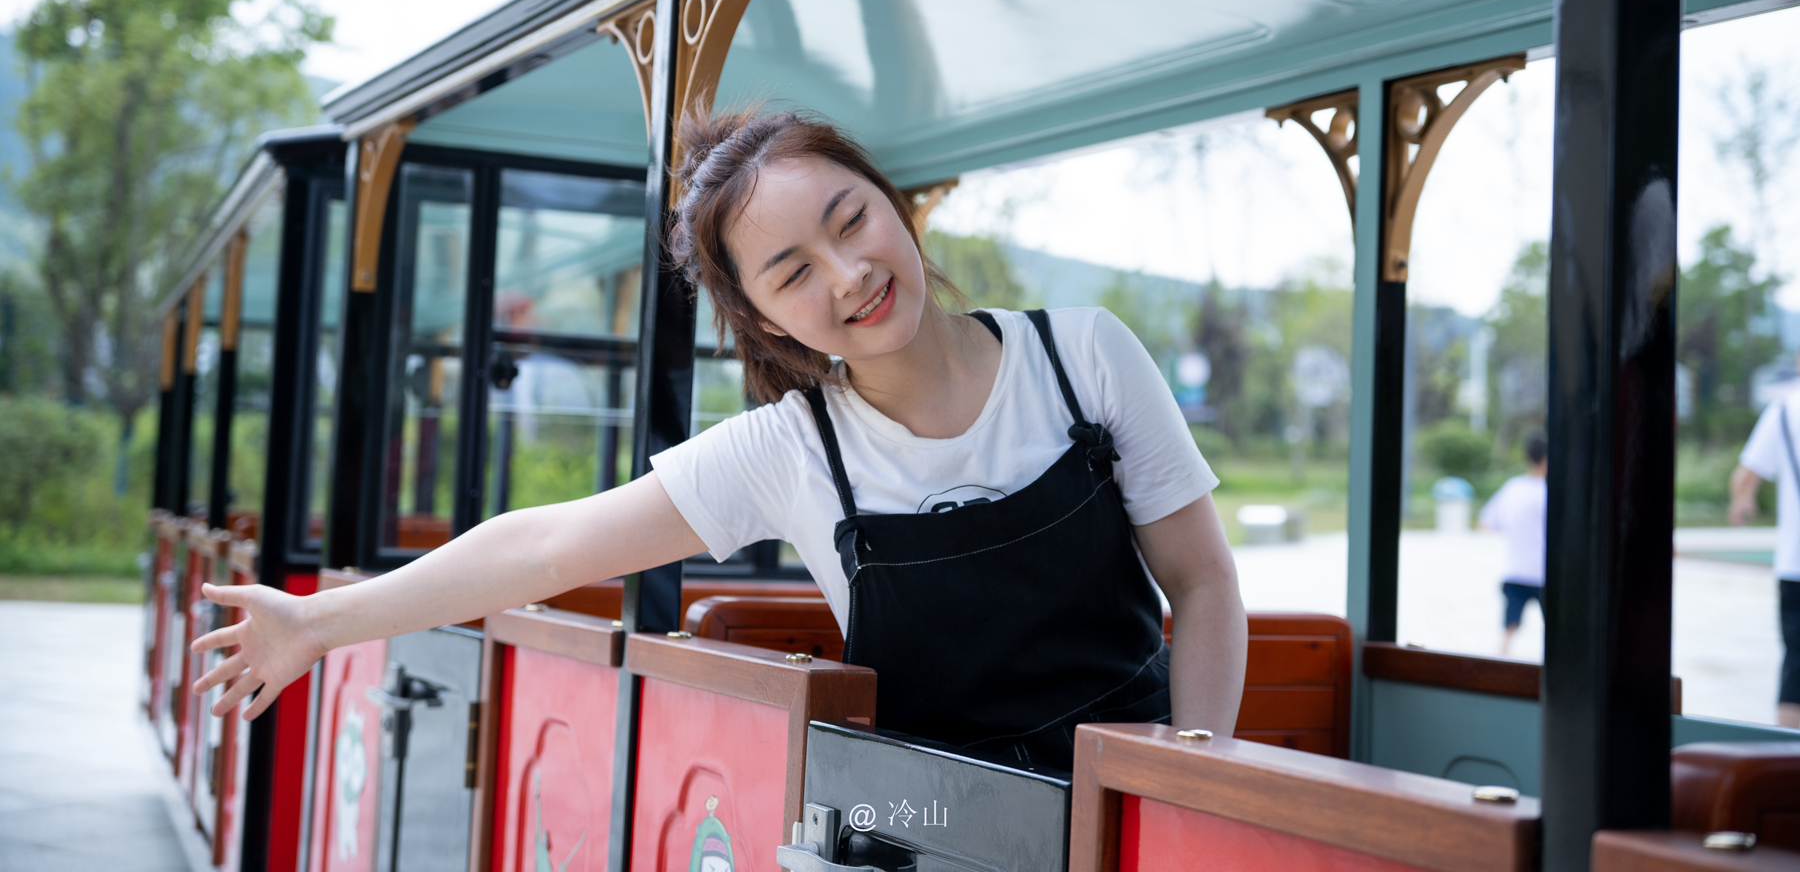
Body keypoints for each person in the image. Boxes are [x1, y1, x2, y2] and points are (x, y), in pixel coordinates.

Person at [193, 108, 1248, 769]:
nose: (849, 275)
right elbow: (542, 548)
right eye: (791, 272)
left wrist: (1194, 777)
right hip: (938, 824)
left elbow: (1202, 584)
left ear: (893, 202)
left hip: (1135, 790)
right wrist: (320, 625)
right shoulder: (789, 451)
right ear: (764, 321)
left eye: (851, 219)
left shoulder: (1085, 356)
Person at [1728, 353, 1800, 730]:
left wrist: (1742, 503)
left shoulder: (1785, 410)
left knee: (1796, 665)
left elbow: (1745, 476)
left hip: (1795, 563)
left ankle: (1789, 764)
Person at [1479, 431, 1547, 657]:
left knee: (1510, 627)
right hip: (1545, 574)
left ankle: (1501, 662)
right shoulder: (1550, 492)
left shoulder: (1513, 488)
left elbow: (1486, 522)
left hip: (1514, 570)